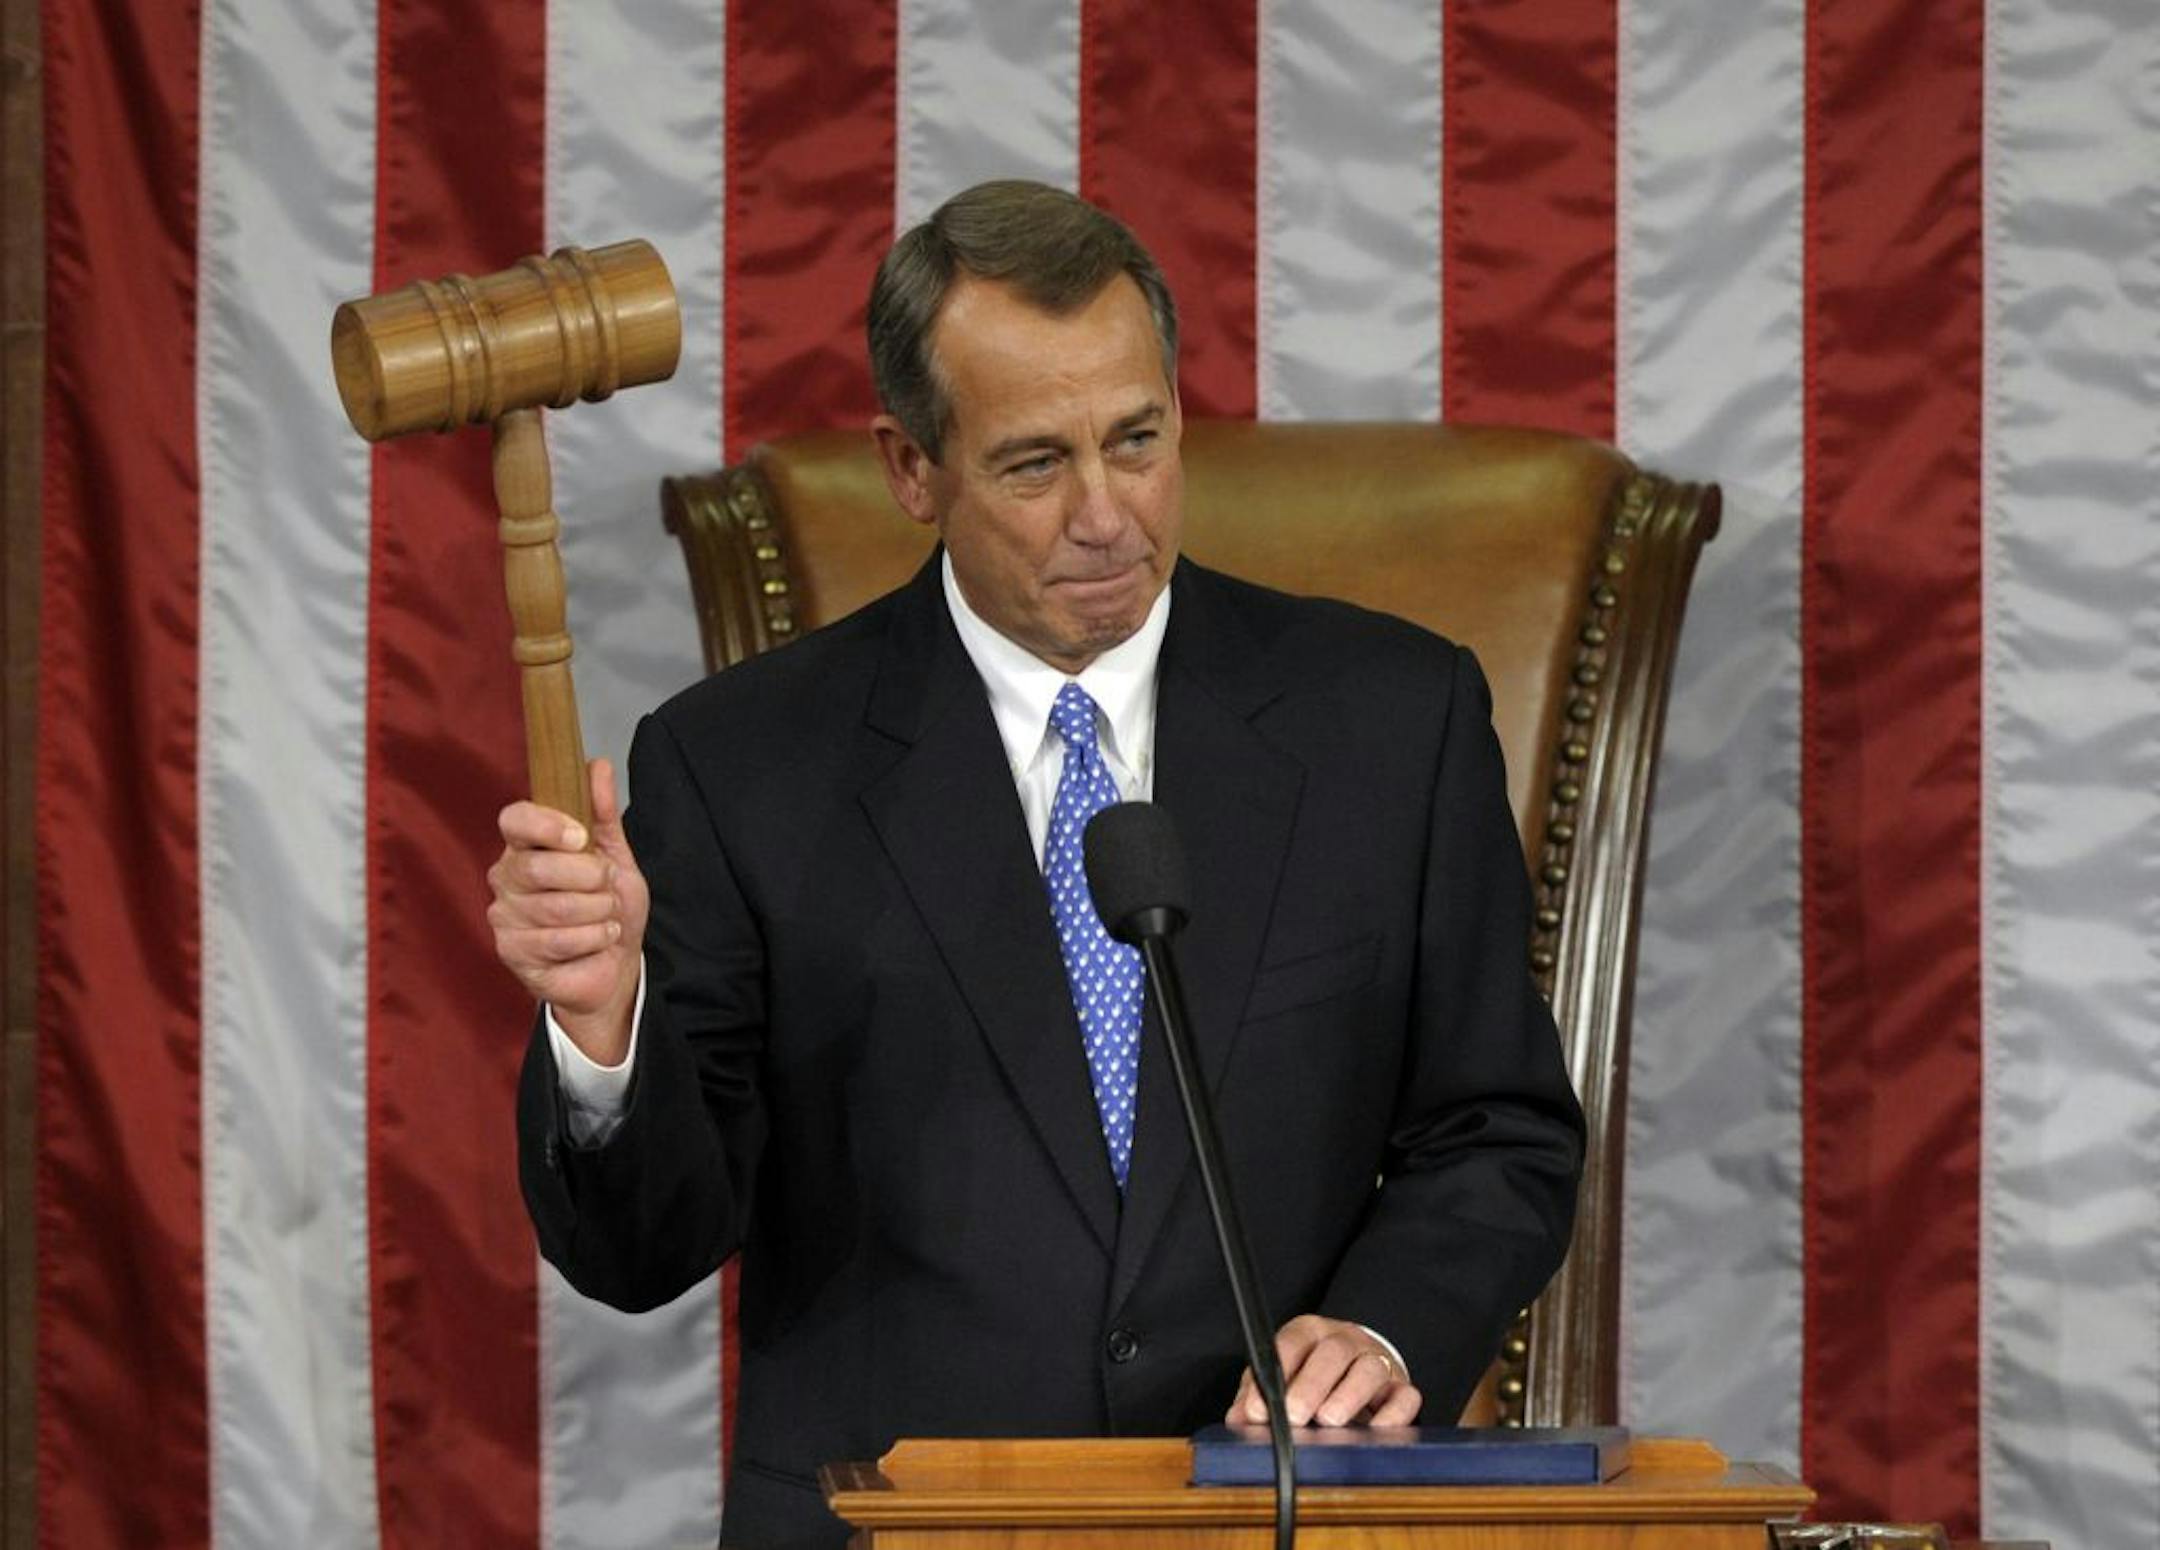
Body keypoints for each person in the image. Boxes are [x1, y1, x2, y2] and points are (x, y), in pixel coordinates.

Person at [492, 180, 1584, 1549]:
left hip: (1281, 1522)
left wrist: (1377, 1323)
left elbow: (1500, 1130)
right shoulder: (743, 765)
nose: (1106, 514)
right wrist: (606, 1032)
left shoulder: (1391, 719)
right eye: (1033, 463)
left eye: (1138, 439)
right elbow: (639, 1248)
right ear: (911, 467)